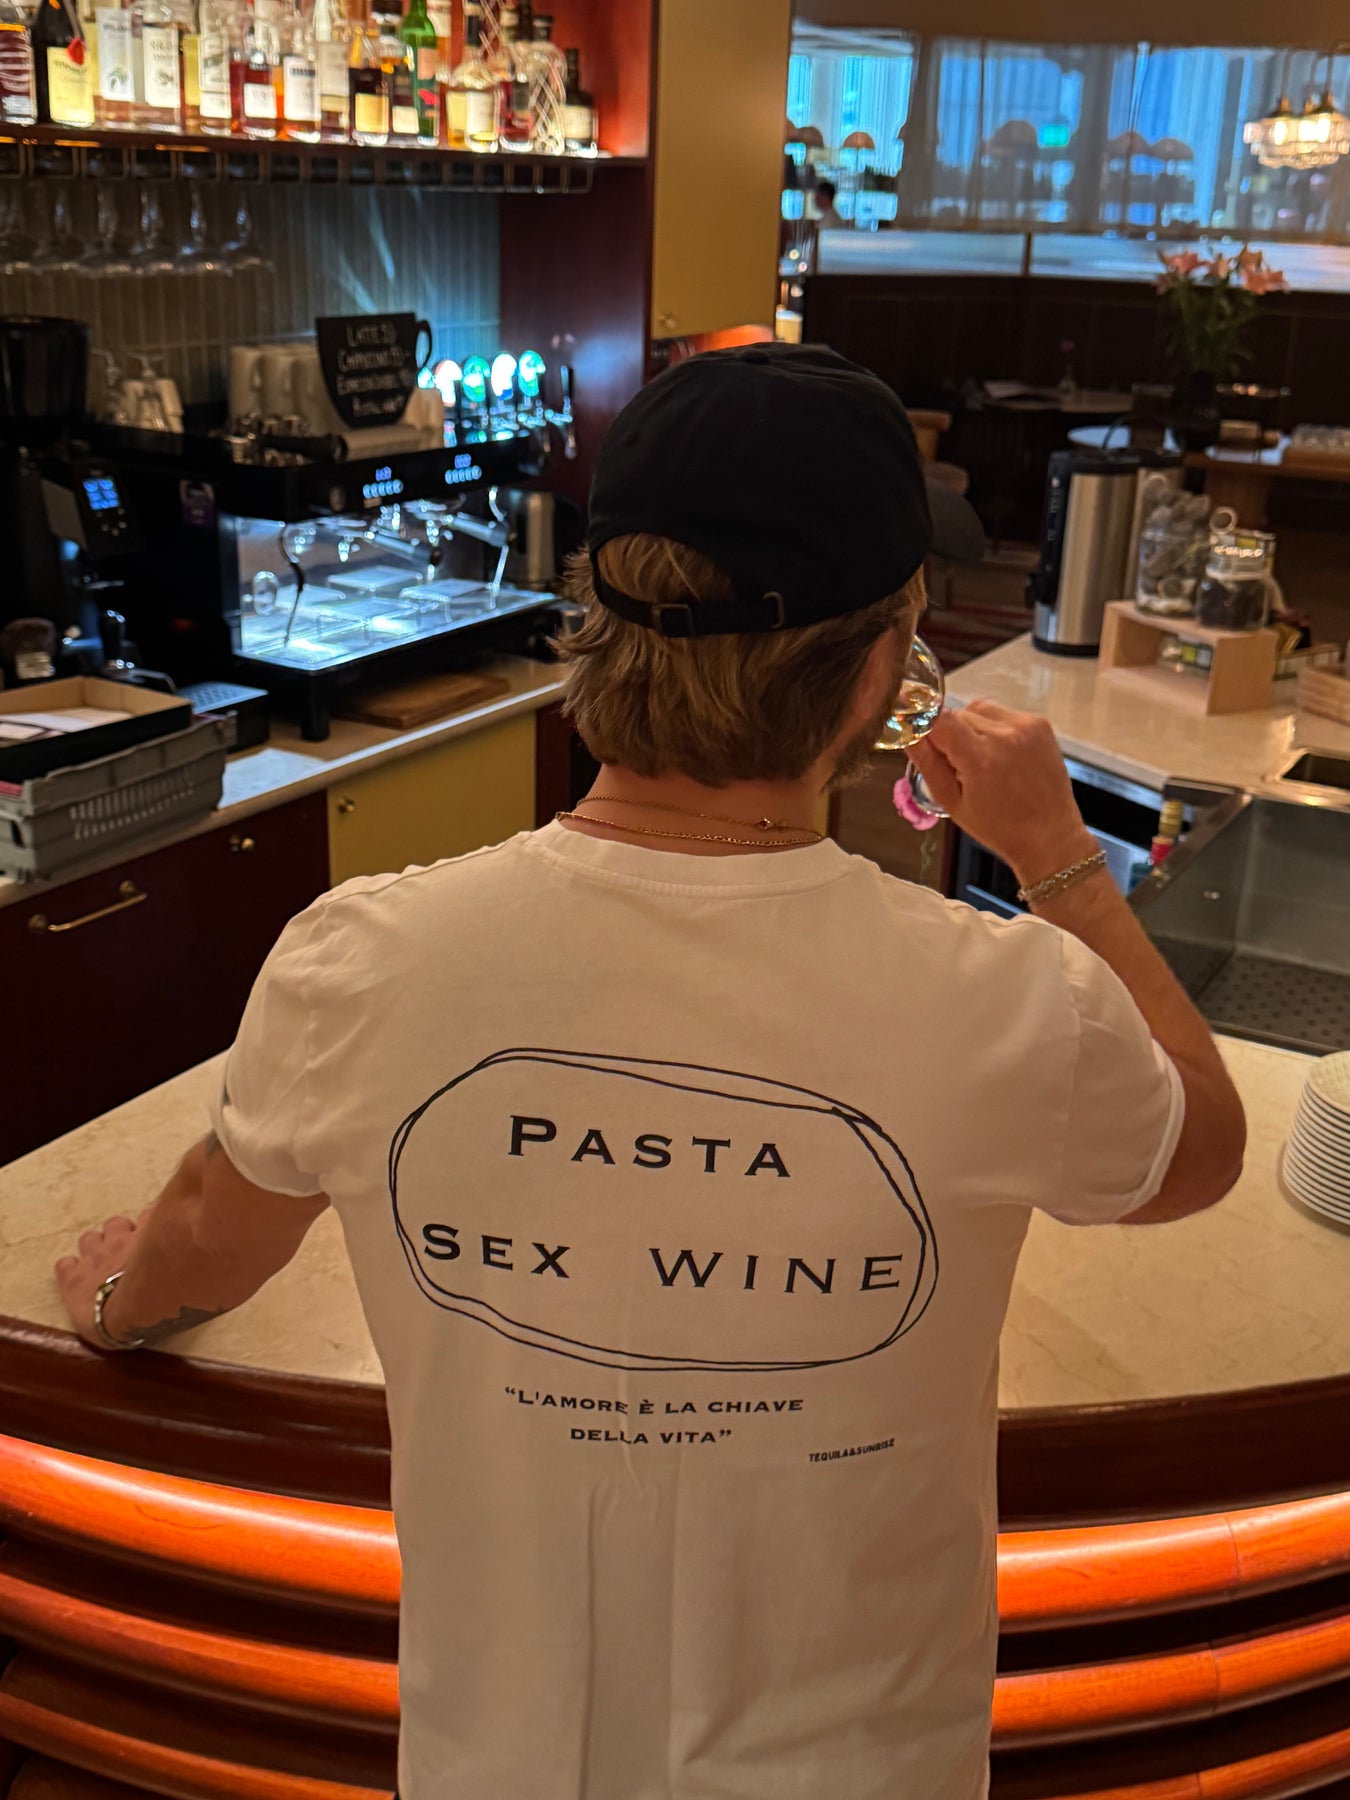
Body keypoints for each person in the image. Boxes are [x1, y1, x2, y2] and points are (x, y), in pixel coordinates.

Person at [56, 345, 1245, 1800]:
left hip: (497, 1762)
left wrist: (111, 1305)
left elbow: (201, 1238)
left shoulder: (361, 957)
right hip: (866, 1767)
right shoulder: (1008, 998)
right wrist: (1059, 857)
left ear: (594, 621)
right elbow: (1198, 1153)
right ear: (883, 669)